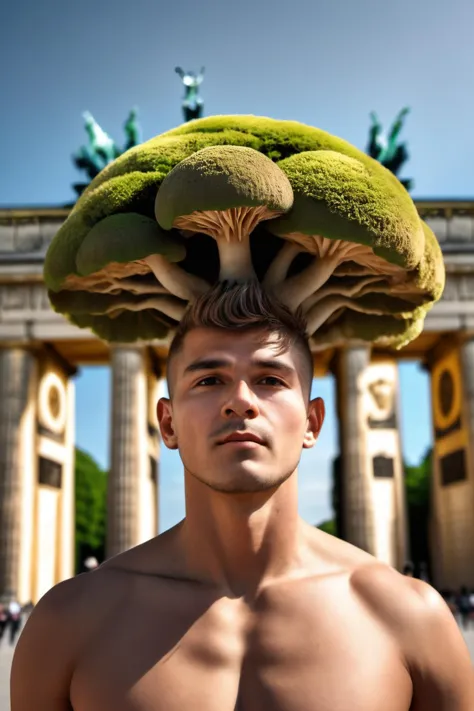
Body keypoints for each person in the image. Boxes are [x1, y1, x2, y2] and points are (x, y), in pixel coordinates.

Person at [11, 282, 474, 710]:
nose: (241, 400)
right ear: (167, 424)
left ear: (313, 422)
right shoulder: (66, 623)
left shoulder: (412, 619)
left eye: (270, 379)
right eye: (209, 380)